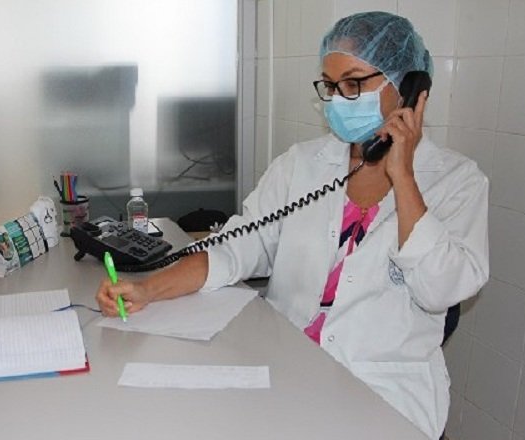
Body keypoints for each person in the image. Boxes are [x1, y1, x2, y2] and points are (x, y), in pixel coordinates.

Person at [96, 11, 488, 440]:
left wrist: (404, 176)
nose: (338, 100)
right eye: (331, 86)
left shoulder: (457, 181)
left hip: (385, 397)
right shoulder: (301, 166)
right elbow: (233, 248)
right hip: (286, 370)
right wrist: (147, 289)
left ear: (409, 89)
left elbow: (442, 291)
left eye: (354, 84)